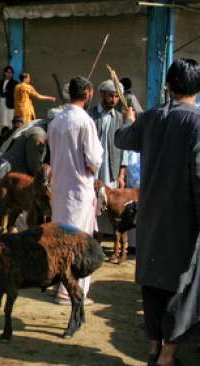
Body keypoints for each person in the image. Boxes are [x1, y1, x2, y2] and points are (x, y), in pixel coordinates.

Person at [115, 58, 200, 366]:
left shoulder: (150, 118)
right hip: (183, 223)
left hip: (150, 219)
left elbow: (121, 139)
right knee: (181, 288)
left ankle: (153, 349)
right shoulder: (196, 123)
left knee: (152, 284)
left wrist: (128, 119)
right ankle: (166, 356)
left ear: (169, 85)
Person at [48, 76, 103, 305]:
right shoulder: (84, 121)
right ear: (88, 93)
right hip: (79, 188)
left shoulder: (55, 120)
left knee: (60, 238)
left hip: (60, 187)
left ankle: (59, 282)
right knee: (78, 240)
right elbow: (94, 159)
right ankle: (70, 291)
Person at [0, 111, 51, 229]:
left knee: (20, 215)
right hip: (8, 174)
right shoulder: (38, 136)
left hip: (18, 177)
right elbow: (35, 166)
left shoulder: (41, 130)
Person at [88, 80, 126, 188]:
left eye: (117, 97)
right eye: (111, 96)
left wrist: (121, 175)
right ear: (102, 94)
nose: (113, 100)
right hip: (91, 172)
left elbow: (123, 148)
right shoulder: (90, 115)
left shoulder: (119, 117)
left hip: (111, 173)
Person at [0, 66, 18, 137]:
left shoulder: (15, 83)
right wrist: (3, 92)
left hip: (9, 106)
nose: (9, 74)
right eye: (7, 72)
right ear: (4, 73)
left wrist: (5, 92)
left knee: (10, 123)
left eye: (11, 72)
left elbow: (13, 92)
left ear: (13, 74)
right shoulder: (0, 82)